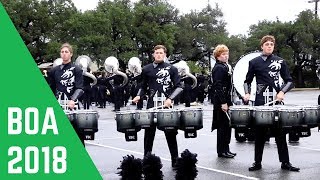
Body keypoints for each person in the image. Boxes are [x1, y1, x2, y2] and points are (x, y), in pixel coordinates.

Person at [243, 35, 299, 171]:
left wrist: (282, 92)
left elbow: (290, 81)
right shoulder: (254, 62)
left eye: (271, 44)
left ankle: (285, 162)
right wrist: (247, 92)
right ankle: (257, 162)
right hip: (261, 102)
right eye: (267, 44)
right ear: (262, 46)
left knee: (280, 133)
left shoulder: (280, 61)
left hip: (276, 103)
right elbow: (247, 81)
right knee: (259, 133)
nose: (269, 46)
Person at [132, 45, 183, 168]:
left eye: (161, 53)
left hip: (166, 105)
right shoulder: (147, 69)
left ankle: (175, 160)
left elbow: (179, 86)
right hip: (151, 105)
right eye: (157, 53)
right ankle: (147, 160)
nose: (159, 54)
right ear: (153, 54)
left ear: (165, 54)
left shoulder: (172, 69)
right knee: (149, 134)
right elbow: (143, 86)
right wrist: (139, 95)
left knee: (170, 133)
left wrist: (170, 98)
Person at [48, 43, 85, 146]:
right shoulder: (54, 71)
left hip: (73, 105)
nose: (64, 54)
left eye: (66, 52)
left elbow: (80, 88)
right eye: (62, 52)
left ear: (71, 54)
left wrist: (73, 100)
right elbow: (51, 89)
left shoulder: (77, 69)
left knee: (77, 135)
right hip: (59, 105)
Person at [210, 44, 236, 158]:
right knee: (222, 126)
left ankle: (226, 148)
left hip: (226, 99)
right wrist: (223, 102)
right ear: (217, 56)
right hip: (221, 100)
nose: (226, 56)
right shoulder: (219, 68)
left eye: (227, 54)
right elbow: (218, 86)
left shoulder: (225, 66)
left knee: (227, 126)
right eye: (223, 54)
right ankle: (221, 151)